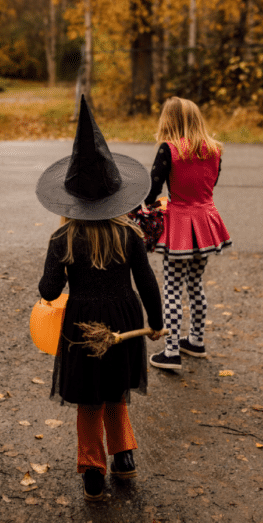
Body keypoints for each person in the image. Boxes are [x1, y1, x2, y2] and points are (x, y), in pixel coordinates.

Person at [35, 96, 164, 501]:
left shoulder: (63, 238)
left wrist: (50, 285)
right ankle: (124, 456)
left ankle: (93, 469)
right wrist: (157, 321)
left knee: (89, 397)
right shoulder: (129, 235)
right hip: (125, 316)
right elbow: (147, 284)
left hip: (82, 323)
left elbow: (49, 291)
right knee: (115, 388)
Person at [144, 96, 231, 371]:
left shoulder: (169, 150)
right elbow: (212, 182)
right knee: (195, 283)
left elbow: (152, 192)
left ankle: (171, 352)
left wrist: (148, 206)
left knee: (171, 286)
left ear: (168, 121)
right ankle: (195, 340)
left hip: (180, 225)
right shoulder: (215, 149)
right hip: (206, 223)